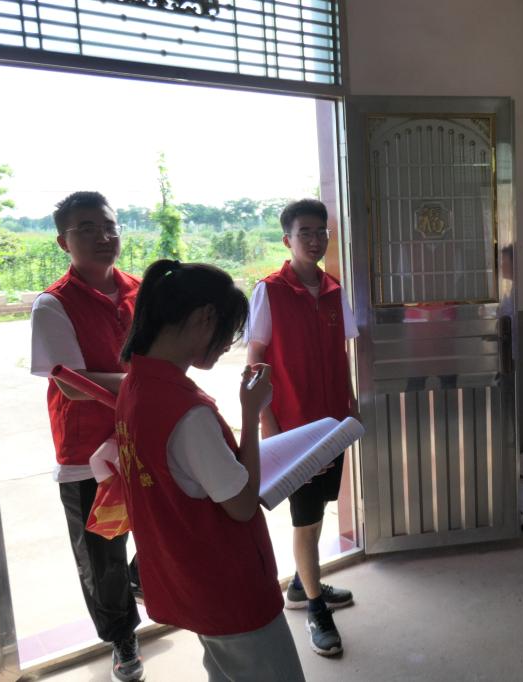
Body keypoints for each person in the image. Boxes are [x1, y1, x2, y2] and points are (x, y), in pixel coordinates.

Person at [116, 260, 304, 682]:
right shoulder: (187, 412)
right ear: (204, 318)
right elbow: (241, 505)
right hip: (229, 585)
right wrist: (251, 412)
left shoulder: (135, 386)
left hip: (190, 576)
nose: (225, 348)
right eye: (227, 334)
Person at [29, 191, 143, 682]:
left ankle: (141, 581)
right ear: (63, 242)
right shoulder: (53, 304)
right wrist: (148, 381)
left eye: (110, 226)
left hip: (143, 437)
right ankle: (122, 638)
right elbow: (72, 385)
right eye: (88, 228)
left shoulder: (143, 291)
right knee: (102, 556)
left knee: (162, 523)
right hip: (85, 450)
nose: (104, 236)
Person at [245, 198, 358, 657]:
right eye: (305, 232)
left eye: (321, 232)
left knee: (319, 507)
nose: (315, 240)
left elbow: (341, 354)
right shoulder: (269, 292)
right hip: (293, 428)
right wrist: (267, 423)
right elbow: (256, 360)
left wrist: (351, 407)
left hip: (332, 424)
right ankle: (314, 608)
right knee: (306, 520)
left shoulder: (333, 290)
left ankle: (300, 584)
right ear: (286, 239)